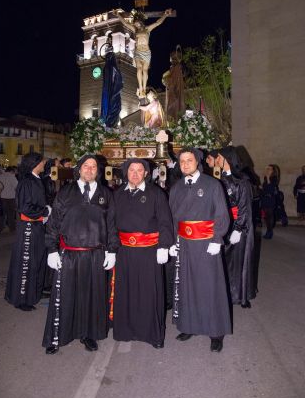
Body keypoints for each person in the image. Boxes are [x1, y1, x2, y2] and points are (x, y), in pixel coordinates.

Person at [42, 154, 119, 355]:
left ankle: (88, 334)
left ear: (98, 171)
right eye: (86, 166)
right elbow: (54, 223)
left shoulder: (106, 194)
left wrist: (112, 250)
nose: (90, 169)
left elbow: (111, 225)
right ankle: (57, 336)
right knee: (64, 296)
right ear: (79, 169)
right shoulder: (66, 192)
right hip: (69, 254)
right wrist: (51, 249)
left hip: (96, 255)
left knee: (92, 296)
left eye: (93, 167)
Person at [169, 148, 232, 353]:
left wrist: (217, 238)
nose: (185, 164)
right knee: (187, 286)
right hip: (185, 245)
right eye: (182, 161)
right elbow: (172, 217)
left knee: (210, 287)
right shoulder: (176, 187)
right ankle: (189, 325)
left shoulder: (212, 184)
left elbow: (222, 213)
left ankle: (216, 332)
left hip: (206, 244)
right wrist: (172, 240)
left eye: (189, 160)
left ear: (198, 162)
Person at [113, 159, 173, 349]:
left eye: (140, 170)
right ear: (126, 172)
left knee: (149, 293)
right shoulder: (117, 195)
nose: (136, 174)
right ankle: (125, 330)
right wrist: (111, 248)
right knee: (126, 292)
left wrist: (164, 246)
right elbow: (110, 224)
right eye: (132, 170)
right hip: (124, 252)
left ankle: (152, 335)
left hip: (149, 252)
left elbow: (165, 221)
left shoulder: (156, 194)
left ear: (146, 173)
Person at [5, 153, 50, 311]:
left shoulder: (36, 179)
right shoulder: (26, 182)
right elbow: (25, 208)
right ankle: (21, 298)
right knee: (26, 263)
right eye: (42, 161)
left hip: (37, 226)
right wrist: (44, 211)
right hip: (29, 228)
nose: (44, 163)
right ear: (35, 163)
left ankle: (34, 292)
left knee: (37, 260)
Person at [216, 146, 257, 308]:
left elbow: (245, 207)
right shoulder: (220, 180)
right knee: (225, 261)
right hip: (225, 225)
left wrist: (238, 228)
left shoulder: (242, 182)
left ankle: (241, 295)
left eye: (219, 157)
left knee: (240, 262)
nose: (217, 160)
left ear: (227, 159)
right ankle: (226, 292)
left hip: (239, 227)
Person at [114, 9, 172, 98]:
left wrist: (165, 15)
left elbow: (157, 23)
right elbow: (125, 23)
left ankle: (144, 88)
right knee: (139, 69)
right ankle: (140, 87)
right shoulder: (135, 30)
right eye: (134, 23)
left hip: (146, 53)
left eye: (136, 22)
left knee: (144, 71)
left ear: (140, 22)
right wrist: (118, 15)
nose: (134, 24)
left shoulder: (147, 29)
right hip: (137, 52)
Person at [0, 166, 18, 232]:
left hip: (1, 198)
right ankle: (12, 228)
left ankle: (1, 227)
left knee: (2, 214)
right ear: (11, 171)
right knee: (11, 214)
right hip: (11, 198)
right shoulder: (12, 177)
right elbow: (17, 188)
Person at [260, 164, 279, 239]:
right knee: (266, 217)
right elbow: (265, 188)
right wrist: (261, 187)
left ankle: (270, 232)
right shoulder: (266, 178)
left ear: (273, 171)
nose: (268, 170)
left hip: (270, 199)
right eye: (267, 168)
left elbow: (271, 189)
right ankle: (268, 230)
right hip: (265, 199)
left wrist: (268, 178)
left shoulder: (274, 178)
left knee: (270, 216)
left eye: (270, 169)